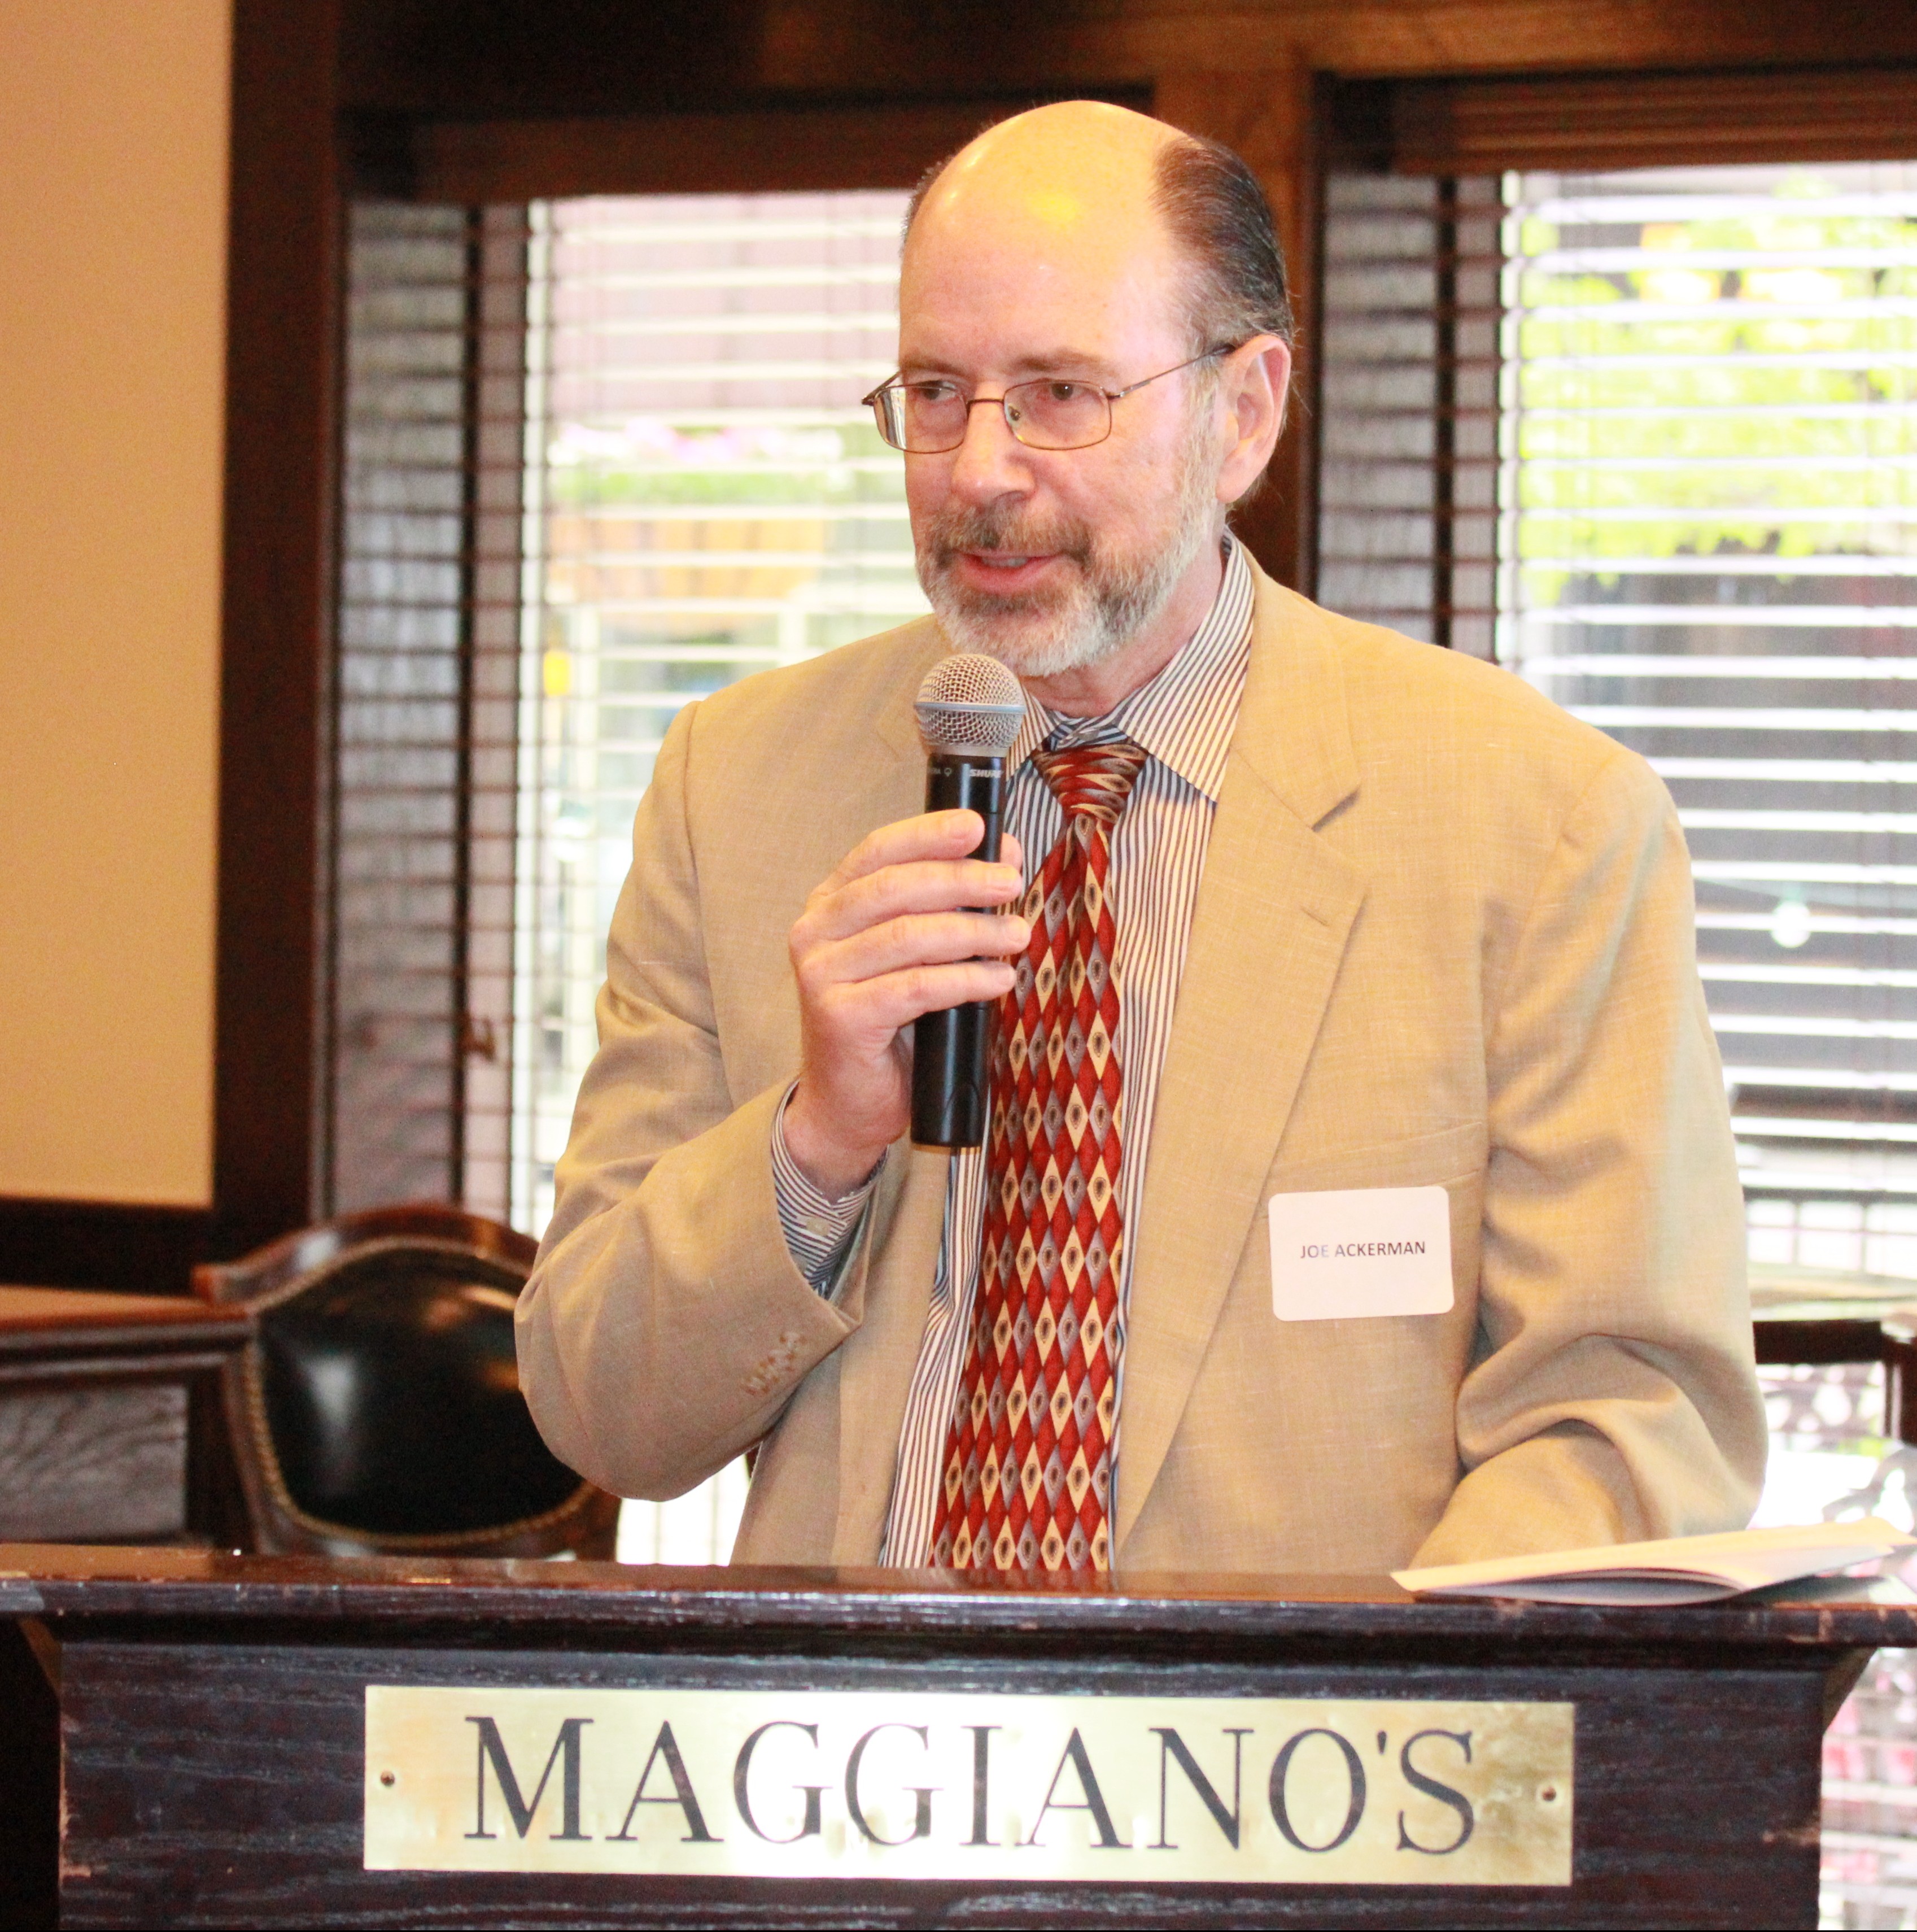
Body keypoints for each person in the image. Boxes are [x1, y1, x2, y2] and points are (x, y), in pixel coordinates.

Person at [515, 100, 1765, 1575]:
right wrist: (813, 1147)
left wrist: (1358, 1734)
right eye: (935, 391)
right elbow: (601, 1412)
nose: (979, 469)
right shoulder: (735, 788)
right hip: (847, 1767)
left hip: (1307, 1779)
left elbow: (1622, 1420)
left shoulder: (1536, 823)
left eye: (1056, 393)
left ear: (1243, 408)